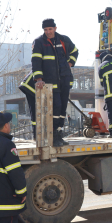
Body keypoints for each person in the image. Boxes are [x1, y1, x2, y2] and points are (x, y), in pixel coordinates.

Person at [31, 18, 79, 146]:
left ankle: (59, 134)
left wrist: (70, 63)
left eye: (50, 29)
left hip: (65, 79)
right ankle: (53, 137)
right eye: (45, 30)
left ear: (55, 28)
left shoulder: (64, 40)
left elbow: (75, 51)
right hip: (51, 81)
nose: (48, 32)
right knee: (56, 107)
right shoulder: (39, 42)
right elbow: (36, 61)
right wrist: (39, 79)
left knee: (63, 108)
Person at [19, 71, 36, 140]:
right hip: (31, 85)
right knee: (35, 111)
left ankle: (36, 134)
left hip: (31, 85)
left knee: (35, 112)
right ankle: (36, 135)